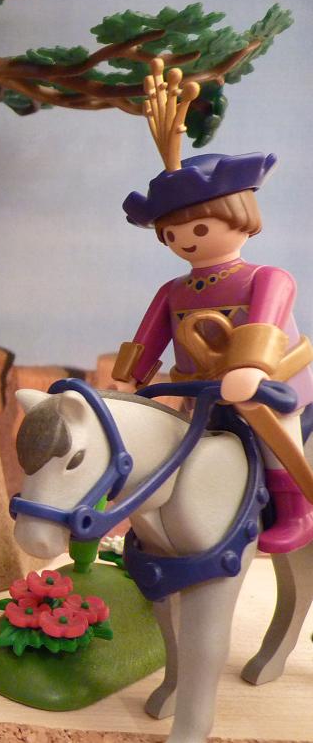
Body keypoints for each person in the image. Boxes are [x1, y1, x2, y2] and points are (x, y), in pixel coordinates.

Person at [112, 61, 313, 553]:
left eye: (199, 229)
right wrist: (128, 379)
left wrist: (250, 368)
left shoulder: (266, 278)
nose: (185, 241)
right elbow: (148, 340)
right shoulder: (173, 290)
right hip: (199, 393)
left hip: (273, 386)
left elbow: (265, 325)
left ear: (241, 218)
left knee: (271, 430)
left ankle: (297, 509)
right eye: (172, 234)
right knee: (178, 448)